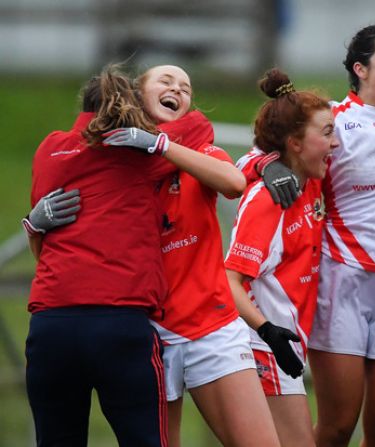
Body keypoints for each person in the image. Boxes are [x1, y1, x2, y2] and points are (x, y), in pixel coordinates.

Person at [102, 65, 280, 447]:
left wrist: (162, 146)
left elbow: (234, 182)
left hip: (210, 326)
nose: (177, 90)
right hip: (147, 331)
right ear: (138, 95)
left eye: (185, 87)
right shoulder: (116, 165)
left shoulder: (201, 150)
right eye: (165, 82)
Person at [24, 67, 171, 446]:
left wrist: (32, 225)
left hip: (51, 324)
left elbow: (42, 238)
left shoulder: (49, 149)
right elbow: (198, 129)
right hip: (120, 322)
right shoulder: (147, 151)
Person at [225, 68, 338, 447]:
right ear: (294, 143)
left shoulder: (311, 178)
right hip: (265, 345)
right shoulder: (267, 201)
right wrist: (267, 333)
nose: (336, 143)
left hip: (286, 342)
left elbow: (250, 157)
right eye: (326, 133)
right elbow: (229, 282)